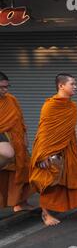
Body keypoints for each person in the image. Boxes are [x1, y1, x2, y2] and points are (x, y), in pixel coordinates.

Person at [30, 74, 77, 226]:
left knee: (75, 177)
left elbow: (68, 130)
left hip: (68, 148)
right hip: (49, 150)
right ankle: (46, 214)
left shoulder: (72, 106)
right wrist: (42, 155)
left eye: (75, 84)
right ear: (61, 86)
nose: (75, 86)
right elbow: (44, 131)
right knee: (49, 182)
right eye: (72, 84)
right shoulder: (50, 105)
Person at [0, 71, 34, 211]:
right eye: (1, 87)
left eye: (7, 87)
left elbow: (20, 119)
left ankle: (21, 202)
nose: (5, 90)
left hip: (18, 141)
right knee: (6, 176)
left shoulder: (11, 99)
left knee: (26, 171)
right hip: (4, 142)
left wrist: (25, 138)